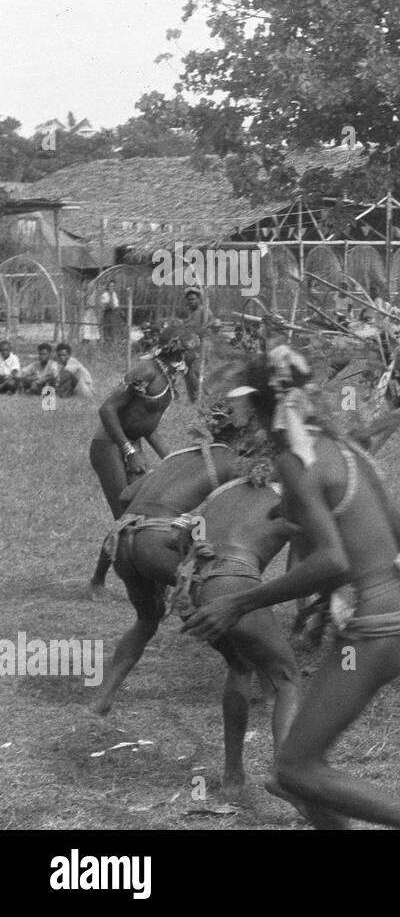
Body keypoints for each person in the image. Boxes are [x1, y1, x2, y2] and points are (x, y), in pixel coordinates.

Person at [181, 348, 400, 829]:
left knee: (294, 768)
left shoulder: (296, 461)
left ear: (262, 409)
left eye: (246, 411)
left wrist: (240, 601)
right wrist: (303, 518)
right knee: (299, 771)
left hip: (376, 623)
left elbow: (334, 562)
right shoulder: (347, 450)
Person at [90, 404, 254, 717]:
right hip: (155, 541)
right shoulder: (231, 461)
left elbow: (125, 496)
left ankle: (101, 700)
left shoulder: (176, 456)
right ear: (243, 434)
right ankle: (245, 667)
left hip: (122, 541)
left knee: (146, 620)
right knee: (213, 600)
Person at [174, 466, 302, 792]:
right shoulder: (291, 497)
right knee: (287, 677)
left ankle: (233, 775)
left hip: (190, 590)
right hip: (231, 581)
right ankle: (287, 776)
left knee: (240, 663)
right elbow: (307, 568)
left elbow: (178, 536)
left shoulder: (225, 490)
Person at [86, 321, 201, 600]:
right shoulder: (145, 371)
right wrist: (129, 450)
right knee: (126, 516)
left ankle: (152, 580)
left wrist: (171, 458)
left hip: (130, 443)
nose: (196, 353)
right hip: (109, 445)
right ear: (179, 349)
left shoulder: (168, 375)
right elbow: (107, 410)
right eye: (193, 348)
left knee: (144, 513)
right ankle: (97, 581)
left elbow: (147, 424)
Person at [99, 277, 123, 346]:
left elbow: (116, 305)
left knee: (114, 331)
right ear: (107, 286)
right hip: (107, 314)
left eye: (113, 286)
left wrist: (119, 311)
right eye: (110, 286)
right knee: (107, 331)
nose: (111, 287)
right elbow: (104, 305)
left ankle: (114, 346)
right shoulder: (104, 294)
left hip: (115, 314)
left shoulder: (115, 294)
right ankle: (106, 346)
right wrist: (108, 305)